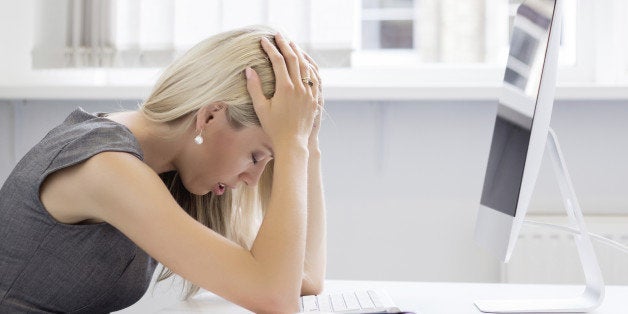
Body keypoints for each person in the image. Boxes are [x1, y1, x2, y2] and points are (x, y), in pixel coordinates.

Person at [0, 25, 326, 313]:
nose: (253, 181)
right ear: (210, 117)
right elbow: (275, 298)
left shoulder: (166, 167)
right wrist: (291, 144)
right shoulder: (107, 167)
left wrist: (307, 145)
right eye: (256, 157)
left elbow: (304, 278)